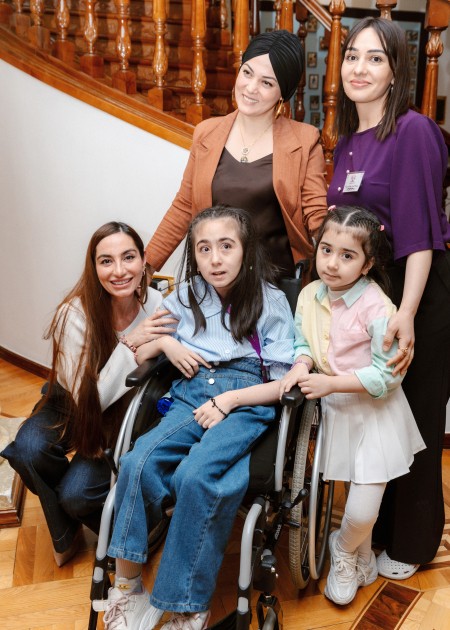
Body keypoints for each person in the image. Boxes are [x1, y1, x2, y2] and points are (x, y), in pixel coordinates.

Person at [95, 206, 294, 630]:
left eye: (226, 246)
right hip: (192, 388)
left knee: (195, 476)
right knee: (136, 461)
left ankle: (188, 607)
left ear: (246, 250)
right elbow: (140, 349)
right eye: (204, 249)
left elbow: (283, 384)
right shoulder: (186, 296)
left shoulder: (270, 300)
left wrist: (230, 401)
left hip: (246, 397)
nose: (215, 259)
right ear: (194, 255)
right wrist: (168, 345)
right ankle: (127, 588)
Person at [327, 16, 450, 579]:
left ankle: (412, 543)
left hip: (416, 288)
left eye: (375, 58)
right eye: (353, 55)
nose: (359, 68)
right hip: (372, 294)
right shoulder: (348, 141)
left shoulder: (414, 131)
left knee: (415, 419)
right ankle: (373, 531)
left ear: (396, 71)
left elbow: (421, 234)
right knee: (380, 418)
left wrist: (407, 313)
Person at [0, 222, 177, 567]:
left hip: (122, 414)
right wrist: (132, 342)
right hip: (73, 402)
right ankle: (64, 531)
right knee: (28, 448)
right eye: (106, 261)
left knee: (77, 494)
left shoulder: (156, 303)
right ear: (94, 268)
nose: (119, 270)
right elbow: (88, 399)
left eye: (128, 257)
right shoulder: (74, 315)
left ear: (144, 261)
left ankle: (138, 527)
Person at [280, 205, 426, 605]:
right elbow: (303, 341)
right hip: (335, 412)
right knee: (354, 493)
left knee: (362, 509)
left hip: (376, 414)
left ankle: (342, 548)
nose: (332, 263)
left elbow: (388, 376)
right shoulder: (309, 295)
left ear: (367, 264)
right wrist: (301, 363)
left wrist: (330, 383)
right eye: (326, 250)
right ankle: (359, 558)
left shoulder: (377, 306)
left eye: (347, 255)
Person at [145, 29, 328, 284]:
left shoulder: (305, 140)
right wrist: (146, 268)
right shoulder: (206, 132)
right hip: (213, 282)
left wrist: (341, 250)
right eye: (247, 73)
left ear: (282, 93)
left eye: (267, 83)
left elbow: (316, 216)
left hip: (275, 287)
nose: (250, 88)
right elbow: (184, 206)